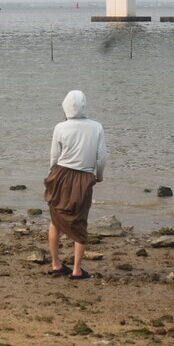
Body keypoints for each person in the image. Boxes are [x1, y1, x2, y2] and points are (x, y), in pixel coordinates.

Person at [43, 90, 107, 280]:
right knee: (80, 221)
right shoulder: (96, 127)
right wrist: (99, 175)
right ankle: (77, 270)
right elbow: (101, 156)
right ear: (85, 105)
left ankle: (56, 265)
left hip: (60, 174)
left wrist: (51, 175)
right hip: (84, 176)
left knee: (56, 220)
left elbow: (54, 156)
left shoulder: (60, 127)